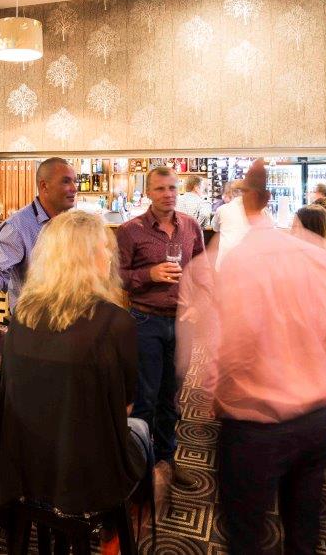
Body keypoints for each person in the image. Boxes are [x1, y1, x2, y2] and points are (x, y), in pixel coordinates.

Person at [192, 160, 326, 555]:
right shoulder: (320, 257)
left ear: (245, 201)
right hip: (313, 422)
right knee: (304, 531)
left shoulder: (238, 261)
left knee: (246, 535)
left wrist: (216, 392)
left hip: (253, 424)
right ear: (271, 199)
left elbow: (231, 346)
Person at [0, 210, 150, 551]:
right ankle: (118, 531)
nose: (109, 255)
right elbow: (125, 407)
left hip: (25, 467)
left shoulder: (21, 315)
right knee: (143, 430)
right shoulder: (117, 322)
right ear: (85, 258)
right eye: (103, 248)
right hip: (89, 476)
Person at [116, 166, 203, 492]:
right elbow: (118, 277)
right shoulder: (130, 231)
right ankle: (140, 467)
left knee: (171, 397)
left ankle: (167, 460)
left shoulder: (191, 226)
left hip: (181, 322)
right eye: (160, 189)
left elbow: (201, 270)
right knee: (145, 398)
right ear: (148, 193)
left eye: (172, 188)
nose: (168, 194)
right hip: (145, 320)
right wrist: (149, 275)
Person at [0, 157, 77, 310]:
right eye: (66, 181)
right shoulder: (17, 226)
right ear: (44, 186)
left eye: (75, 181)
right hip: (33, 321)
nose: (74, 188)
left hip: (70, 317)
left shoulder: (73, 222)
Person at [212, 182, 249, 268]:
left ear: (231, 193)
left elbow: (215, 228)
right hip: (247, 259)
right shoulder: (253, 211)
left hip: (225, 259)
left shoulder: (222, 209)